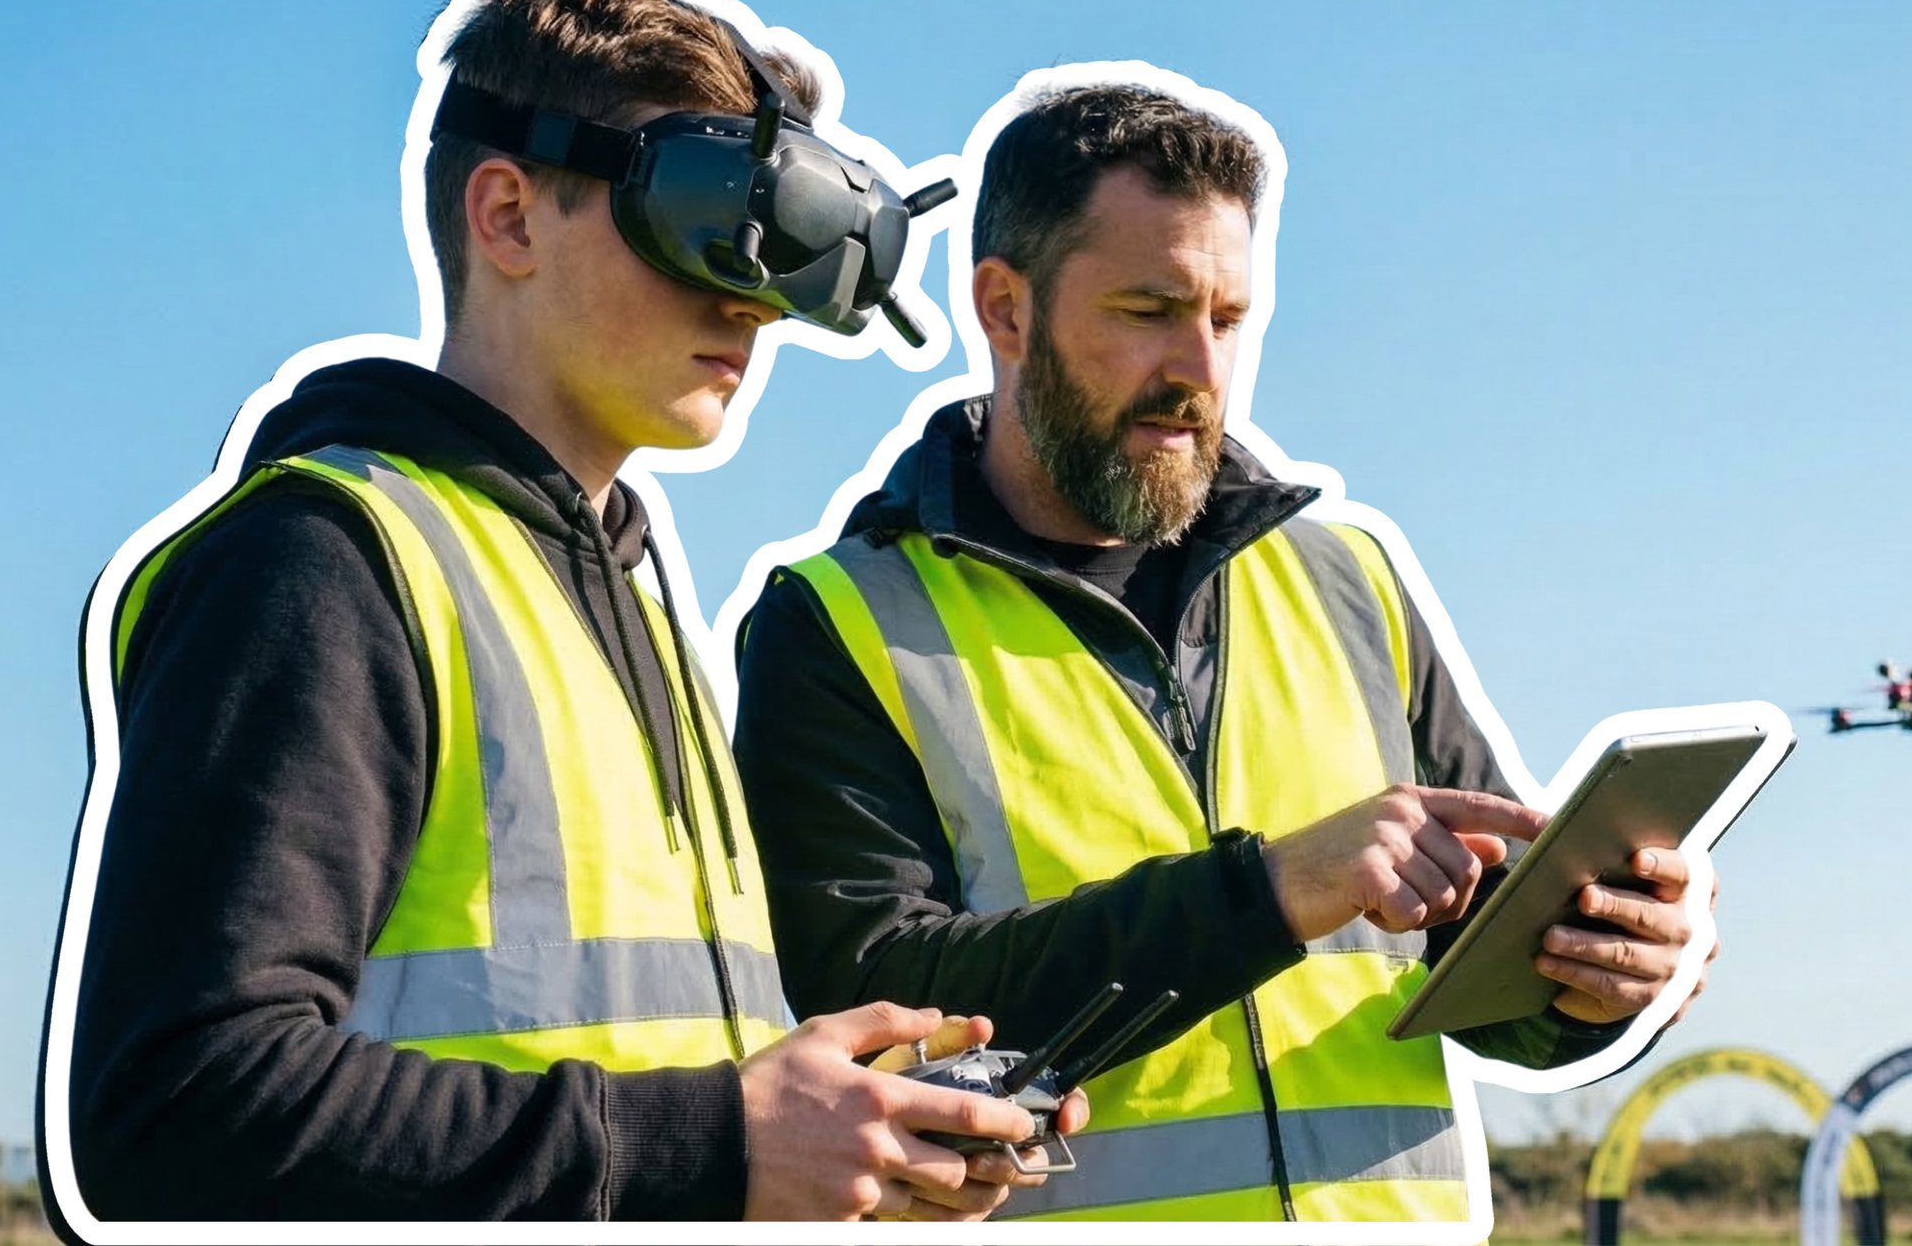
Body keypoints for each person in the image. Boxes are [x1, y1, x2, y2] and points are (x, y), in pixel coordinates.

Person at [46, 0, 1077, 1224]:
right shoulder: (325, 563)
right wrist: (721, 1136)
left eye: (780, 250)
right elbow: (174, 1108)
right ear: (509, 216)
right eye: (704, 215)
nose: (749, 297)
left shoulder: (631, 598)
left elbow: (638, 1068)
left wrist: (854, 1130)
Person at [733, 82, 1718, 1222]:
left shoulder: (1349, 580)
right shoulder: (837, 621)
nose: (1200, 366)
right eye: (1149, 308)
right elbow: (869, 1009)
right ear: (1003, 309)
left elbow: (1491, 980)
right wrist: (1267, 892)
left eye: (1228, 317)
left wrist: (1600, 969)